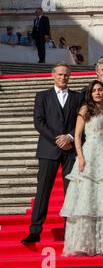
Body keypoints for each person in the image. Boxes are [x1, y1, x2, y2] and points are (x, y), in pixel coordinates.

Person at [21, 62, 83, 243]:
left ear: (69, 76)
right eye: (60, 74)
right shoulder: (42, 96)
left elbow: (82, 121)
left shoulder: (77, 97)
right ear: (53, 75)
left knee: (71, 192)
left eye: (66, 75)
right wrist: (59, 139)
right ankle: (35, 230)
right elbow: (38, 122)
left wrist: (70, 136)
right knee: (43, 191)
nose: (63, 77)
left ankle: (70, 230)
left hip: (71, 151)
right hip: (49, 149)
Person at [60, 80, 103, 256]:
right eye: (94, 90)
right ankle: (82, 244)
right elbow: (78, 136)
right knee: (86, 198)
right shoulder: (84, 110)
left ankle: (102, 245)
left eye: (100, 90)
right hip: (88, 155)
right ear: (90, 93)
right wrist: (80, 157)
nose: (97, 93)